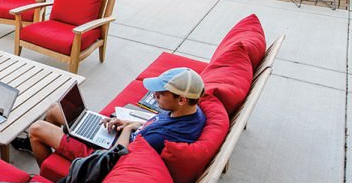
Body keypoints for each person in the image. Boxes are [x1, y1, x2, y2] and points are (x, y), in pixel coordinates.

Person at [14, 68, 207, 165]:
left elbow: (119, 156)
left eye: (160, 94)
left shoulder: (162, 137)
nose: (154, 97)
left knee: (36, 128)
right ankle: (66, 135)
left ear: (181, 99)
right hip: (117, 137)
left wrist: (129, 128)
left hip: (105, 155)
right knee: (55, 109)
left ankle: (49, 171)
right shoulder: (191, 112)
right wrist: (127, 123)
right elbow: (154, 124)